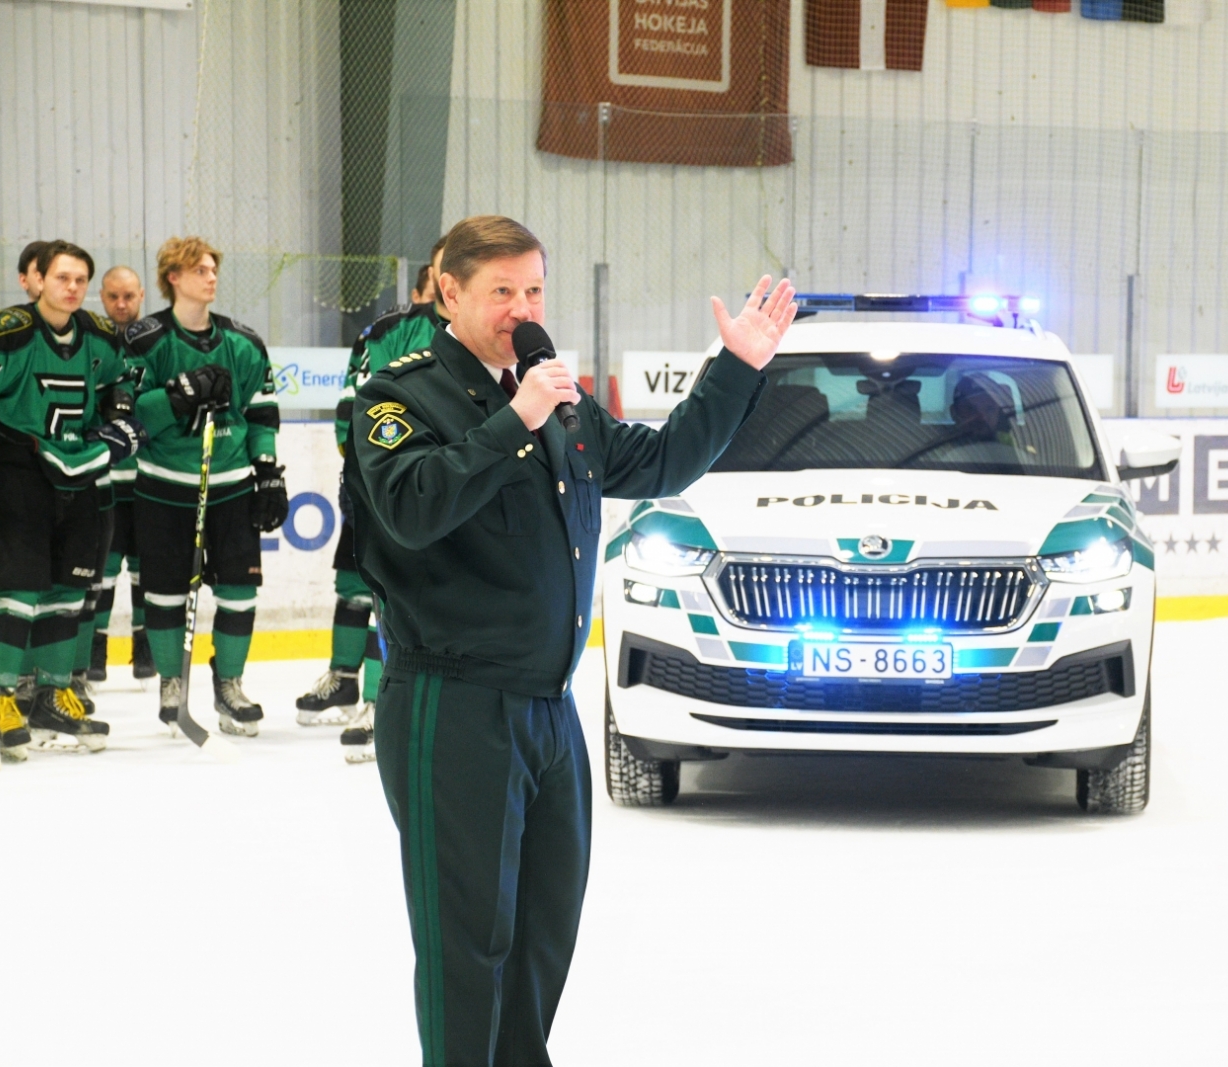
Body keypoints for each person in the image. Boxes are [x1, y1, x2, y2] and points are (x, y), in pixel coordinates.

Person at [346, 214, 794, 1065]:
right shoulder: (399, 396)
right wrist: (512, 418)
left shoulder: (557, 399)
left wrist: (737, 367)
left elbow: (662, 462)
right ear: (449, 292)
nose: (523, 309)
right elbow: (411, 506)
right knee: (466, 944)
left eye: (534, 290)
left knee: (541, 934)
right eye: (502, 291)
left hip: (550, 710)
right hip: (454, 704)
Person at [0, 241, 145, 758]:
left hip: (81, 474)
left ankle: (52, 695)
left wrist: (120, 418)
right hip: (17, 474)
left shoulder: (98, 335)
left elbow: (121, 384)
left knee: (68, 592)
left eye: (79, 280)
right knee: (18, 592)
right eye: (61, 278)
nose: (71, 288)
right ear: (39, 279)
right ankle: (2, 698)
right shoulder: (7, 332)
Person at [296, 235, 450, 764]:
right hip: (379, 484)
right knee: (357, 581)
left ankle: (380, 698)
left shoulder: (486, 333)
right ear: (433, 274)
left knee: (400, 594)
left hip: (445, 492)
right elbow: (353, 410)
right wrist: (375, 475)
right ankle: (348, 681)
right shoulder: (390, 332)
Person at [125, 237, 287, 737]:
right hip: (164, 487)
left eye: (213, 268)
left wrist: (266, 469)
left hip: (231, 485)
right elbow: (127, 412)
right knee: (164, 593)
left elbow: (261, 412)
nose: (211, 276)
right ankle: (172, 682)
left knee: (240, 590)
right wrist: (177, 396)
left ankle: (229, 684)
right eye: (199, 269)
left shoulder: (243, 342)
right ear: (173, 277)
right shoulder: (145, 340)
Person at [89, 267, 155, 681]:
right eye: (113, 296)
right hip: (107, 479)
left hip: (149, 479)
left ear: (142, 295)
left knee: (147, 569)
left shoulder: (155, 344)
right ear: (102, 296)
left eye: (129, 296)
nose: (121, 304)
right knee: (104, 569)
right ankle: (96, 650)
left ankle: (144, 648)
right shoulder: (92, 345)